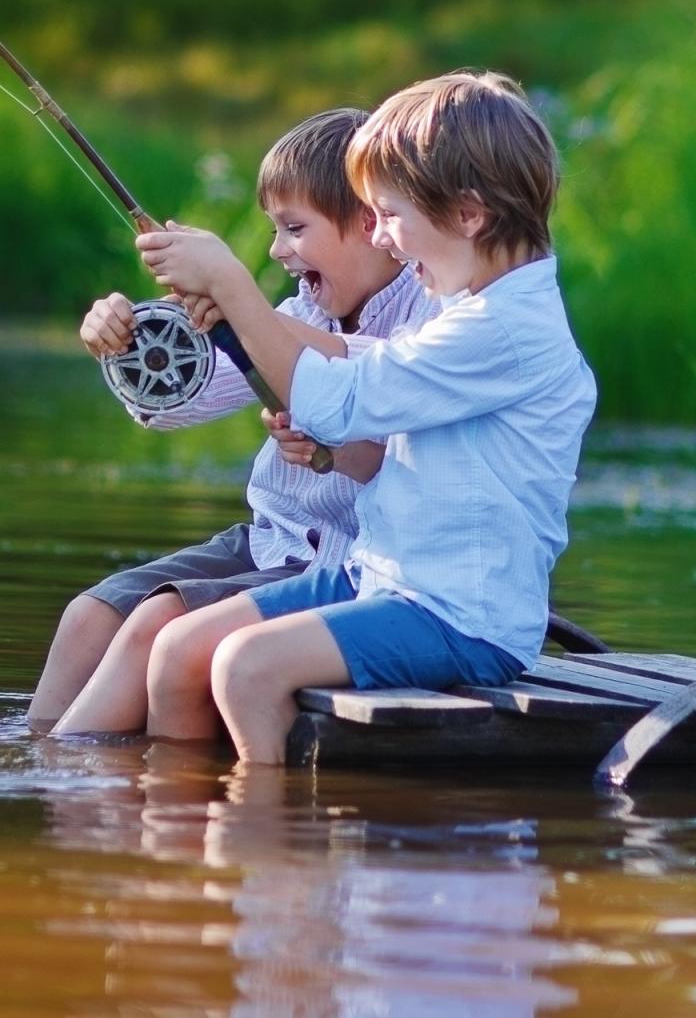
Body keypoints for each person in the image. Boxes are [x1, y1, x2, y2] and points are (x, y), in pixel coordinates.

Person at [134, 70, 597, 763]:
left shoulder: (503, 329)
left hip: (456, 615)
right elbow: (362, 395)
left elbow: (339, 399)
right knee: (178, 648)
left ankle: (264, 849)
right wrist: (245, 325)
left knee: (246, 668)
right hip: (377, 575)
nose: (380, 237)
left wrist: (233, 286)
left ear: (467, 216)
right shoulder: (465, 307)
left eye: (389, 214)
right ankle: (177, 833)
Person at [27, 108, 437, 735]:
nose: (278, 250)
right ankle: (35, 761)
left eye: (294, 228)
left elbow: (374, 375)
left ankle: (70, 786)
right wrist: (130, 340)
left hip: (347, 564)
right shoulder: (303, 307)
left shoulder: (427, 313)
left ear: (367, 223)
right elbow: (180, 404)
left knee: (152, 625)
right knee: (90, 615)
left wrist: (240, 303)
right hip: (270, 541)